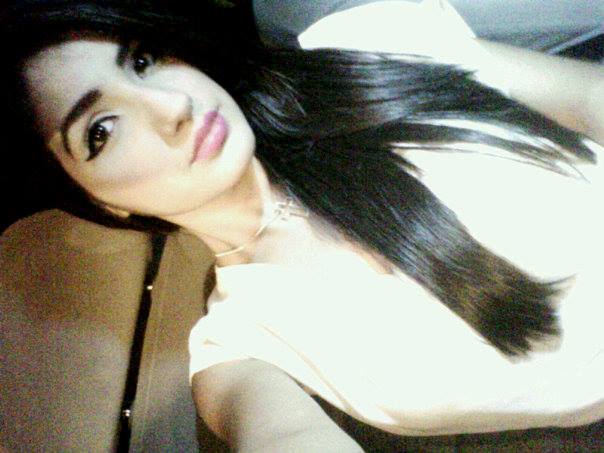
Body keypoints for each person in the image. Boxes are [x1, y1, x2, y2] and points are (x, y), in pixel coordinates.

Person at [2, 0, 603, 451]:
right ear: (100, 204)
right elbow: (280, 435)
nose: (171, 105)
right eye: (101, 130)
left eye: (142, 60)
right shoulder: (240, 351)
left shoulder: (357, 47)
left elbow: (589, 96)